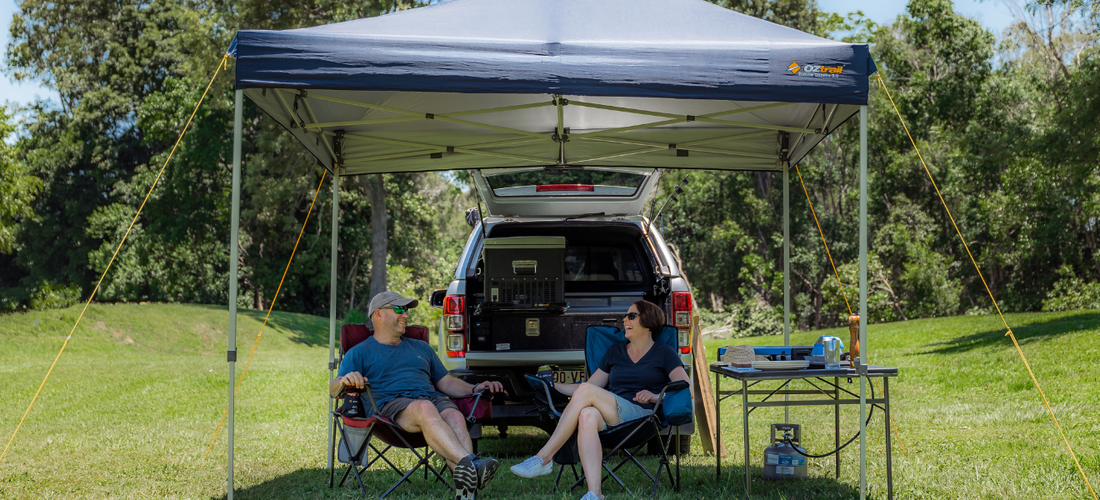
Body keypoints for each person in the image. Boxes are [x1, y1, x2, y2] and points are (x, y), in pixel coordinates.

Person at [331, 291, 505, 500]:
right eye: (398, 309)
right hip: (391, 408)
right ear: (378, 314)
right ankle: (472, 465)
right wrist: (344, 380)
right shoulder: (360, 352)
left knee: (455, 416)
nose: (405, 314)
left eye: (406, 310)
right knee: (425, 408)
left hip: (431, 400)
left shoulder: (421, 347)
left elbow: (446, 382)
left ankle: (466, 492)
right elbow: (333, 389)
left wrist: (475, 388)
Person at [509, 299, 690, 500]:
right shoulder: (615, 352)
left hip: (643, 417)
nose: (625, 320)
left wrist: (656, 396)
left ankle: (544, 457)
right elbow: (589, 387)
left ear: (648, 322)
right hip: (613, 414)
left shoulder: (664, 353)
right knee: (587, 415)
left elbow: (684, 386)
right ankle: (594, 493)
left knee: (587, 395)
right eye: (625, 316)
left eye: (631, 316)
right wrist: (551, 385)